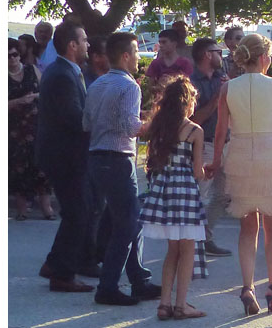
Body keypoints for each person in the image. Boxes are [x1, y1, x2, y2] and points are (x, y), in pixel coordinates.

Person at [205, 34, 272, 315]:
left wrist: (215, 162)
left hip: (239, 151)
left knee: (247, 226)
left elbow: (219, 131)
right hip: (269, 152)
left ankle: (247, 286)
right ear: (264, 57)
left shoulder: (228, 88)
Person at [83, 32, 160, 306]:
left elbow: (87, 123)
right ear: (126, 55)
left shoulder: (97, 84)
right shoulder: (130, 87)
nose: (140, 57)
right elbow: (131, 127)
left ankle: (139, 279)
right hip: (117, 160)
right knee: (126, 225)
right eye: (137, 52)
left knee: (129, 220)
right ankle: (108, 287)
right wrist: (156, 123)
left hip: (96, 158)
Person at [139, 77, 207, 320]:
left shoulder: (158, 127)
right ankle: (181, 305)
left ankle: (164, 304)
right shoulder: (194, 131)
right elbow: (198, 171)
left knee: (172, 251)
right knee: (187, 250)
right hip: (186, 192)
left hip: (164, 191)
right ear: (188, 102)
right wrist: (205, 170)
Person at [35, 21, 93, 293]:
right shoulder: (61, 74)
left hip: (66, 154)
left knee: (76, 212)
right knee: (78, 213)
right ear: (72, 45)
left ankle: (55, 263)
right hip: (64, 156)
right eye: (83, 40)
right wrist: (100, 121)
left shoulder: (68, 71)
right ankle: (62, 275)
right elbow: (73, 118)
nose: (87, 45)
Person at [189, 38, 233, 257]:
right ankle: (196, 241)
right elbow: (193, 119)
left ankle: (205, 236)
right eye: (218, 51)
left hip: (226, 143)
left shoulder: (222, 78)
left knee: (225, 194)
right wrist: (218, 98)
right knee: (203, 194)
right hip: (204, 143)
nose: (221, 55)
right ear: (207, 54)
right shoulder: (191, 83)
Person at [8, 41, 54, 221]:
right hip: (14, 130)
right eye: (7, 56)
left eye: (15, 55)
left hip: (37, 126)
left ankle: (47, 208)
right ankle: (22, 209)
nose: (12, 59)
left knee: (42, 167)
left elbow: (47, 92)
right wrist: (19, 101)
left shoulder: (31, 70)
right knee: (19, 168)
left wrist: (35, 97)